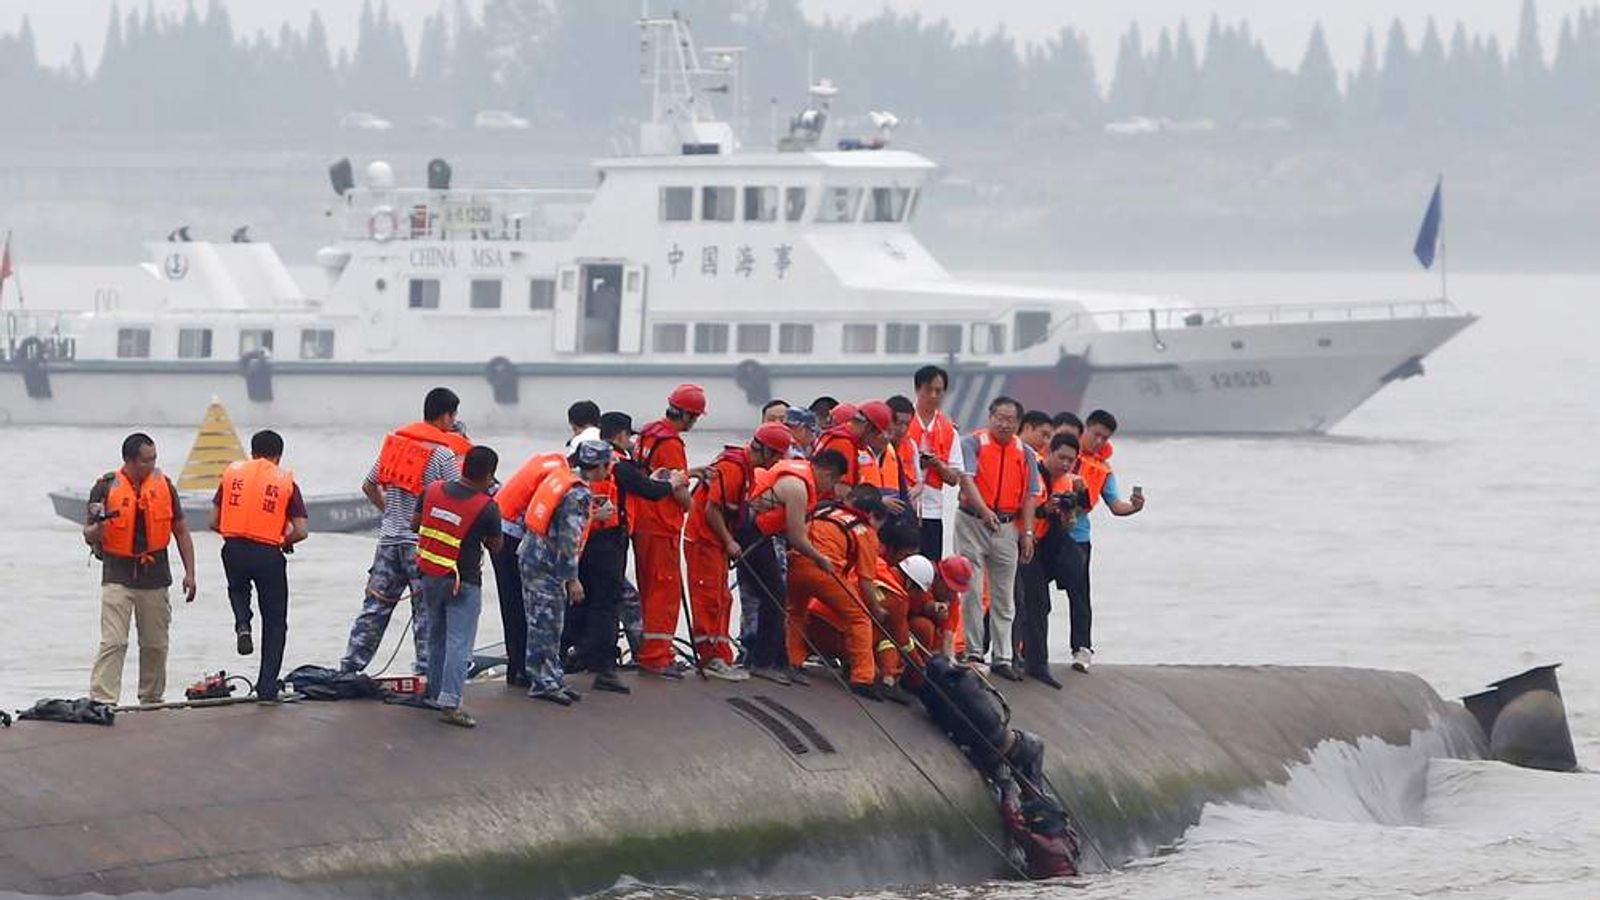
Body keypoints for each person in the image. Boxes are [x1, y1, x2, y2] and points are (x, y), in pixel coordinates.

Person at [340, 387, 468, 676]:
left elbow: (369, 485)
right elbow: (459, 496)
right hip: (421, 545)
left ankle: (348, 669)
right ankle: (425, 673)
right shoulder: (442, 454)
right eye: (453, 415)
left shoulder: (396, 445)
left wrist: (389, 513)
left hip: (388, 541)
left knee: (374, 607)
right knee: (425, 612)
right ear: (447, 415)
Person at [83, 433, 198, 706]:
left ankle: (151, 700)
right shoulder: (104, 487)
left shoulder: (165, 487)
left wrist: (190, 573)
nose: (153, 464)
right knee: (113, 641)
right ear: (130, 460)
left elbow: (181, 531)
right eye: (147, 460)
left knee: (155, 645)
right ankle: (102, 700)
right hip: (117, 577)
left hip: (156, 577)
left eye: (154, 458)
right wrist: (99, 527)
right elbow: (88, 534)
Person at [577, 412, 687, 693]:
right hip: (609, 541)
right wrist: (673, 483)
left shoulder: (581, 458)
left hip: (582, 539)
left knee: (586, 602)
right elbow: (650, 491)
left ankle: (581, 656)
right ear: (621, 436)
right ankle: (605, 668)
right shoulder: (619, 465)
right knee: (606, 604)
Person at [684, 423, 792, 680]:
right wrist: (729, 541)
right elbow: (712, 510)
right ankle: (710, 657)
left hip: (715, 542)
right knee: (709, 597)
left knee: (722, 598)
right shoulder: (732, 468)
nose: (777, 461)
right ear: (764, 450)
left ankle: (720, 654)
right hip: (704, 540)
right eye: (775, 455)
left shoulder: (745, 468)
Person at [211, 430, 309, 702]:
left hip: (233, 549)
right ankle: (266, 688)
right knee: (275, 621)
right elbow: (301, 530)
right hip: (268, 553)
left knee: (238, 589)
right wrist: (282, 539)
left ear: (252, 453)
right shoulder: (285, 482)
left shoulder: (233, 475)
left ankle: (243, 622)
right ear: (278, 456)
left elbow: (212, 520)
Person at [737, 449, 849, 685]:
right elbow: (797, 537)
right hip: (751, 534)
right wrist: (820, 558)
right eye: (833, 481)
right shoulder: (797, 486)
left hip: (761, 535)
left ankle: (779, 660)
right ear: (827, 473)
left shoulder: (800, 473)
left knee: (774, 595)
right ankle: (762, 662)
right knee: (775, 596)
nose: (830, 487)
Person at [415, 446, 503, 727]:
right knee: (458, 644)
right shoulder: (487, 507)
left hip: (430, 576)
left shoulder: (432, 490)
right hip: (463, 582)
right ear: (489, 475)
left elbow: (414, 523)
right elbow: (496, 546)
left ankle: (433, 693)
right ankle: (451, 703)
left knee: (436, 636)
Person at [520, 440, 613, 705]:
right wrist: (572, 579)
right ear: (601, 466)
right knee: (547, 624)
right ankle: (544, 682)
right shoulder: (578, 494)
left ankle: (550, 676)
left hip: (533, 556)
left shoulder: (563, 477)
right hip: (546, 565)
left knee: (541, 622)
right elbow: (569, 539)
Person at [954, 396, 1039, 682]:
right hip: (972, 521)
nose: (1004, 424)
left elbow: (1030, 495)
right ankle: (974, 651)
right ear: (990, 417)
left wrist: (1027, 533)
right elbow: (966, 479)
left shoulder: (1025, 453)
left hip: (1006, 526)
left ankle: (1003, 656)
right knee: (973, 589)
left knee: (1005, 595)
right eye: (999, 417)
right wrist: (984, 510)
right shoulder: (972, 443)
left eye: (1010, 420)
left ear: (1018, 423)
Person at [786, 484, 890, 699]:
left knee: (796, 611)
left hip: (795, 563)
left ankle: (792, 659)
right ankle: (863, 678)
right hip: (824, 569)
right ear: (871, 515)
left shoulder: (824, 510)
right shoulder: (865, 531)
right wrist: (876, 609)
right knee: (860, 617)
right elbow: (865, 581)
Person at [1063, 409, 1146, 673]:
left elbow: (1115, 505)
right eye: (1095, 434)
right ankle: (1020, 648)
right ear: (1084, 429)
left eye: (1104, 438)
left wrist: (1134, 507)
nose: (1098, 441)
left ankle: (1082, 649)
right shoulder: (1063, 453)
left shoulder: (1103, 469)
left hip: (1079, 537)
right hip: (1049, 531)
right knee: (1032, 595)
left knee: (1079, 594)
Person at [633, 384, 704, 678]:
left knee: (649, 588)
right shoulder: (672, 444)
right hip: (662, 525)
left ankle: (650, 650)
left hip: (642, 522)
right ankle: (656, 656)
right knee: (664, 591)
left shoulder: (649, 433)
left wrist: (693, 472)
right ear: (687, 416)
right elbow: (677, 490)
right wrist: (692, 505)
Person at [489, 449, 567, 687]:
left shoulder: (549, 463)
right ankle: (524, 669)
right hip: (511, 537)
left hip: (501, 527)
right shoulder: (561, 480)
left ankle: (519, 667)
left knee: (511, 602)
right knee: (522, 604)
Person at [1015, 433, 1085, 689]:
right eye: (1061, 457)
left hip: (1047, 549)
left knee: (1039, 605)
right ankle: (1027, 660)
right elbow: (1019, 509)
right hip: (1023, 543)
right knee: (1025, 604)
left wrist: (1068, 513)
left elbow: (1068, 525)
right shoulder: (1033, 473)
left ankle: (1031, 660)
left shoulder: (1067, 483)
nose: (1065, 464)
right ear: (1049, 453)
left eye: (1071, 460)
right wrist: (1045, 510)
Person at [907, 365, 964, 562]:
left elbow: (954, 479)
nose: (933, 395)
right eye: (928, 389)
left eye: (939, 391)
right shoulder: (903, 421)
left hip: (933, 510)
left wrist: (937, 465)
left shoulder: (949, 430)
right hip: (905, 505)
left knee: (931, 568)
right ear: (917, 389)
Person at [903, 555, 973, 674]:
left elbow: (948, 636)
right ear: (939, 577)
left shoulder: (952, 600)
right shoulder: (921, 581)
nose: (952, 595)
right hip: (902, 628)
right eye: (949, 589)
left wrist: (950, 666)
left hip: (923, 646)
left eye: (956, 591)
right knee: (923, 626)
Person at [815, 400, 891, 488]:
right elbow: (842, 491)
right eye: (876, 434)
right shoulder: (844, 444)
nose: (873, 440)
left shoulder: (838, 434)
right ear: (868, 427)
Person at [874, 395, 918, 520]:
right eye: (899, 423)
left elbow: (918, 482)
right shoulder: (867, 449)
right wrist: (879, 501)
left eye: (907, 424)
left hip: (897, 515)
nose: (902, 429)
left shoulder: (910, 445)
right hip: (873, 514)